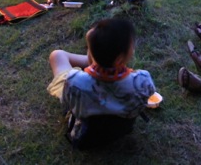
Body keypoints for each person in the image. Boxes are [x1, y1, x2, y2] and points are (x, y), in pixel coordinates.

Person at [48, 19, 156, 148]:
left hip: (84, 137)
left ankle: (100, 62)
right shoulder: (142, 81)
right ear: (123, 57)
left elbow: (66, 102)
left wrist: (92, 55)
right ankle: (105, 62)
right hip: (120, 131)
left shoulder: (75, 82)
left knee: (57, 55)